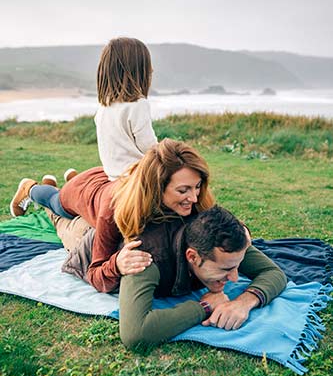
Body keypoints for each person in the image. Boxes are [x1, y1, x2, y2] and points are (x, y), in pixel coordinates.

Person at [48, 205, 287, 347]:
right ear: (193, 257)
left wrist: (244, 302)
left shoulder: (220, 238)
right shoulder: (144, 258)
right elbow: (135, 334)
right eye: (225, 271)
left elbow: (272, 272)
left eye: (237, 266)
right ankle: (45, 199)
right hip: (90, 245)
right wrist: (204, 306)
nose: (235, 278)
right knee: (69, 227)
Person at [10, 139, 215, 292]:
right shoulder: (115, 209)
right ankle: (31, 189)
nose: (194, 198)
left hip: (109, 179)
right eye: (183, 191)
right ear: (157, 188)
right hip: (84, 192)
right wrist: (116, 264)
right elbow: (95, 272)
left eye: (197, 187)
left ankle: (63, 182)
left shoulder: (190, 195)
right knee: (56, 204)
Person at [95, 37, 157, 180]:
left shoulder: (104, 105)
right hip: (136, 177)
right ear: (138, 69)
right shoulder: (138, 104)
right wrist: (167, 150)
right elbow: (148, 147)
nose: (151, 69)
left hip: (113, 176)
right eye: (147, 65)